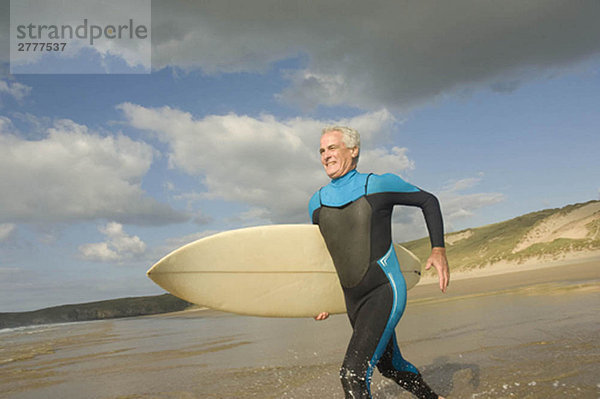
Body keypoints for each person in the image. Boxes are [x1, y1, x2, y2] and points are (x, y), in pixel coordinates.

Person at [308, 126, 449, 399]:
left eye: (332, 148)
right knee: (390, 366)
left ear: (354, 150)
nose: (326, 155)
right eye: (322, 150)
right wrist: (318, 298)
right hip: (353, 300)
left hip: (383, 289)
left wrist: (438, 249)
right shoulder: (316, 202)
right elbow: (326, 255)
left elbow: (428, 201)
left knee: (352, 374)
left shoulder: (378, 184)